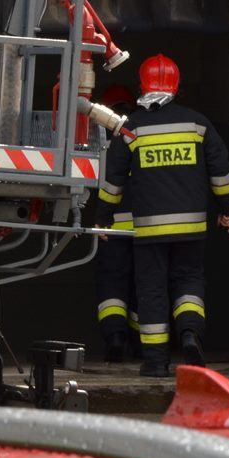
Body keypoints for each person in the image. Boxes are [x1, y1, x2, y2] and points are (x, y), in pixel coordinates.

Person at [96, 54, 229, 377]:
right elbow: (222, 173)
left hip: (149, 232)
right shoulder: (198, 124)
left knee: (152, 290)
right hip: (191, 227)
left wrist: (102, 218)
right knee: (188, 282)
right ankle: (189, 334)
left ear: (142, 85)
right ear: (176, 85)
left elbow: (113, 183)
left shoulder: (130, 130)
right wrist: (227, 211)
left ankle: (156, 362)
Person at [93, 83, 138, 362]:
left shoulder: (96, 140)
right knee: (145, 285)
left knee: (112, 284)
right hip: (144, 226)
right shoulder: (139, 135)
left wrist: (100, 219)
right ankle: (143, 345)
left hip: (111, 228)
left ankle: (115, 337)